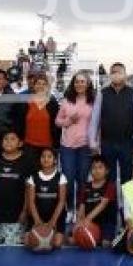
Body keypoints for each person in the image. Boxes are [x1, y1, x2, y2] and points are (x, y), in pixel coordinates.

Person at [88, 63, 133, 184]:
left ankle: (126, 203)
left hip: (127, 143)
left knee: (127, 177)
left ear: (125, 75)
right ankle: (111, 203)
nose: (116, 74)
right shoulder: (102, 93)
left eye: (119, 72)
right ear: (109, 75)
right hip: (107, 143)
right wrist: (93, 142)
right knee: (109, 178)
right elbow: (95, 118)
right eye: (113, 72)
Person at [55, 72, 95, 214]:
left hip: (85, 146)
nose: (79, 84)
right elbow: (57, 121)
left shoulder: (93, 101)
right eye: (77, 81)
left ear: (88, 84)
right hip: (68, 147)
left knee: (83, 179)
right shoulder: (67, 101)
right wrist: (68, 121)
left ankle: (80, 209)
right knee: (69, 179)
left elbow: (98, 124)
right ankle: (69, 208)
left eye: (82, 82)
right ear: (73, 84)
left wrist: (96, 144)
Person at [26, 147, 67, 249]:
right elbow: (31, 202)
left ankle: (63, 235)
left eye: (49, 156)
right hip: (38, 215)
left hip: (55, 216)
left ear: (55, 160)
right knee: (28, 242)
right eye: (43, 156)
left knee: (57, 244)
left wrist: (53, 221)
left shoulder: (61, 177)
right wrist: (37, 221)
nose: (46, 159)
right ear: (40, 159)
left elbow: (61, 202)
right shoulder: (33, 177)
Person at [74, 155, 117, 247]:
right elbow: (82, 206)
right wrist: (78, 223)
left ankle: (100, 237)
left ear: (107, 171)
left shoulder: (110, 186)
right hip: (90, 222)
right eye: (94, 168)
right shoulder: (85, 186)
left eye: (100, 167)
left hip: (106, 223)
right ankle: (91, 237)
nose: (97, 170)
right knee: (72, 240)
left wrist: (87, 219)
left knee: (105, 243)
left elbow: (103, 205)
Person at [21, 71, 61, 158]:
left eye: (44, 84)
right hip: (29, 145)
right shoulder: (26, 102)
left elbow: (56, 125)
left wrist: (56, 144)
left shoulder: (52, 103)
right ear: (34, 86)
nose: (41, 86)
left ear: (47, 87)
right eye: (38, 83)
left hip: (47, 146)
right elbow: (20, 123)